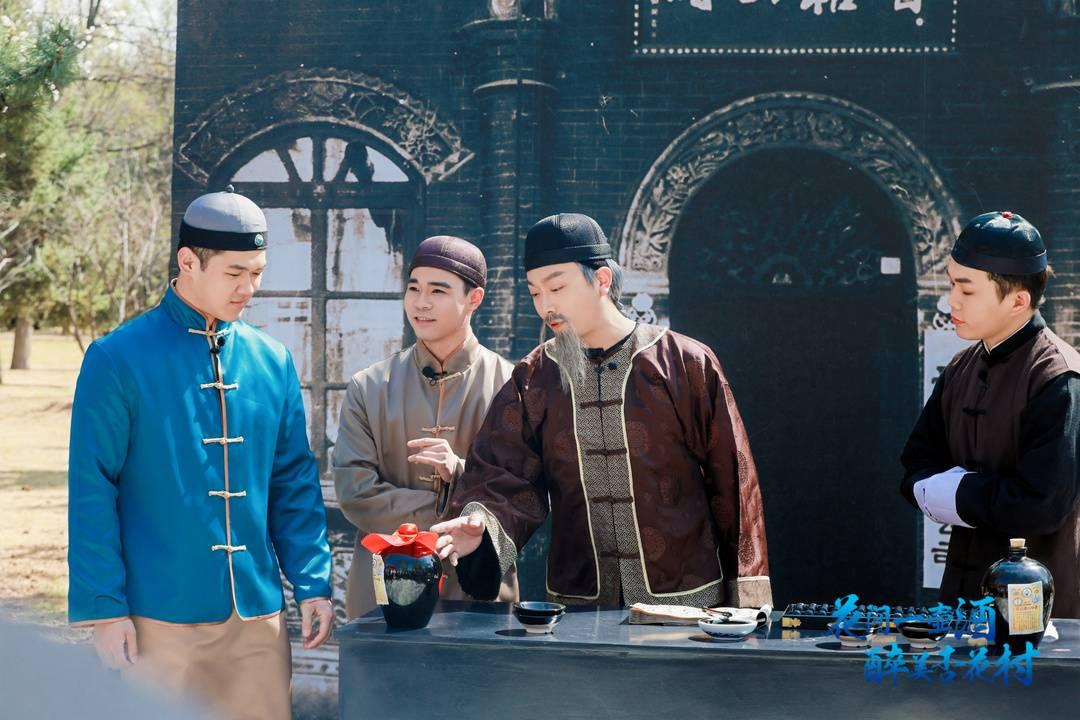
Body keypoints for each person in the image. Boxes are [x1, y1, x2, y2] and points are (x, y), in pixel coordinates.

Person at [68, 186, 333, 720]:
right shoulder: (116, 358)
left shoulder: (272, 361)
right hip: (157, 617)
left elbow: (293, 483)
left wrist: (312, 583)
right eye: (235, 273)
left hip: (257, 619)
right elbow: (92, 489)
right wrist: (106, 611)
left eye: (256, 272)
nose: (249, 288)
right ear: (188, 262)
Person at [432, 213, 772, 608]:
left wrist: (746, 603)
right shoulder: (535, 378)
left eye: (557, 287)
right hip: (582, 607)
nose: (546, 305)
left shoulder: (683, 363)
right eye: (535, 292)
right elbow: (503, 472)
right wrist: (484, 523)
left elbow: (733, 482)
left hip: (684, 604)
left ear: (602, 281)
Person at [900, 211, 1080, 618]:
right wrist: (948, 489)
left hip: (1037, 609)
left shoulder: (1058, 376)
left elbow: (1043, 504)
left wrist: (955, 492)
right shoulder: (960, 368)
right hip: (961, 597)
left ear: (1018, 300)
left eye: (967, 290)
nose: (952, 301)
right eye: (951, 284)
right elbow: (914, 466)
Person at [332, 235, 518, 619]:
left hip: (478, 591)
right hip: (384, 592)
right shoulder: (369, 387)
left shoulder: (511, 387)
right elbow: (355, 491)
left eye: (438, 290)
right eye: (414, 288)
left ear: (474, 298)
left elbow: (521, 491)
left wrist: (459, 471)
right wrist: (453, 511)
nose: (421, 303)